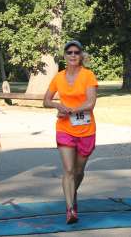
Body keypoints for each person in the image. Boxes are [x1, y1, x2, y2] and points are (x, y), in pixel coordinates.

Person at [43, 40, 98, 224]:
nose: (73, 55)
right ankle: (70, 210)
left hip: (86, 130)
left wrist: (70, 111)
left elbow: (90, 102)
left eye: (76, 52)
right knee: (68, 170)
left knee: (78, 171)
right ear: (65, 56)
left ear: (81, 55)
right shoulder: (58, 77)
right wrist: (58, 105)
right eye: (69, 52)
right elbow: (46, 100)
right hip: (64, 128)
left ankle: (72, 194)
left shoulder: (88, 75)